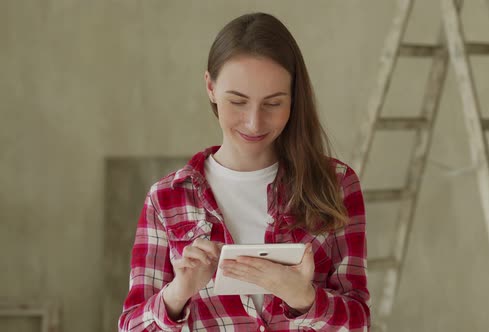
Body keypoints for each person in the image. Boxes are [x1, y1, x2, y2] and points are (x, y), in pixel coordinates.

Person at [118, 12, 370, 332]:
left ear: (294, 97)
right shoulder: (167, 198)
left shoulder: (336, 184)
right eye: (238, 101)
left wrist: (302, 297)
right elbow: (133, 327)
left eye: (273, 103)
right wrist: (178, 293)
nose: (254, 122)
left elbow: (359, 323)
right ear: (210, 87)